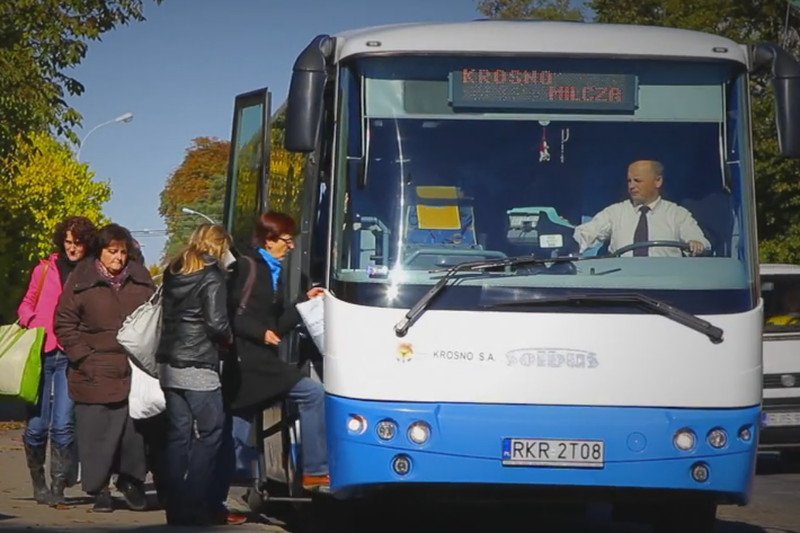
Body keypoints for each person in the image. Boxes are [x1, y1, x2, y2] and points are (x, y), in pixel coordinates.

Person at [223, 212, 328, 492]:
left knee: (237, 425)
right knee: (312, 393)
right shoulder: (248, 267)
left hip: (259, 360)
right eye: (286, 240)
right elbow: (229, 315)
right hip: (249, 361)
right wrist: (259, 332)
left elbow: (277, 326)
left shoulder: (275, 274)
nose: (291, 246)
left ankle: (215, 495)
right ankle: (316, 471)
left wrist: (303, 303)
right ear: (269, 241)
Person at [55, 223, 154, 513]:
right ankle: (99, 489)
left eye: (123, 252)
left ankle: (131, 481)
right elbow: (64, 322)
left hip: (132, 369)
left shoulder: (141, 279)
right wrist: (82, 357)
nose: (119, 258)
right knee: (96, 433)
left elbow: (155, 316)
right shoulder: (81, 279)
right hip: (93, 368)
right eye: (112, 252)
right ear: (100, 253)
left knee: (134, 433)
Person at [155, 224, 246, 526]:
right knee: (211, 433)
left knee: (178, 434)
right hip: (198, 365)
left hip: (169, 363)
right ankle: (193, 501)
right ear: (219, 246)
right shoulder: (212, 275)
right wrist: (231, 341)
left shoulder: (174, 270)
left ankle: (174, 504)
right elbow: (217, 323)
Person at [17, 216, 97, 506]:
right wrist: (30, 319)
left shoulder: (91, 273)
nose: (72, 248)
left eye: (77, 243)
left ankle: (58, 486)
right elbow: (26, 302)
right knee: (37, 425)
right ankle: (38, 481)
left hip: (71, 353)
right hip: (40, 352)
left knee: (63, 424)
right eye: (67, 242)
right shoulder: (45, 268)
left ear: (87, 243)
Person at [573, 159, 710, 257]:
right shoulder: (614, 213)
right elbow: (587, 234)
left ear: (658, 181)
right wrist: (570, 241)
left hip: (666, 285)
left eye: (637, 181)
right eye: (629, 181)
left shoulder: (677, 214)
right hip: (622, 284)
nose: (631, 186)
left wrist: (697, 244)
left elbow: (699, 241)